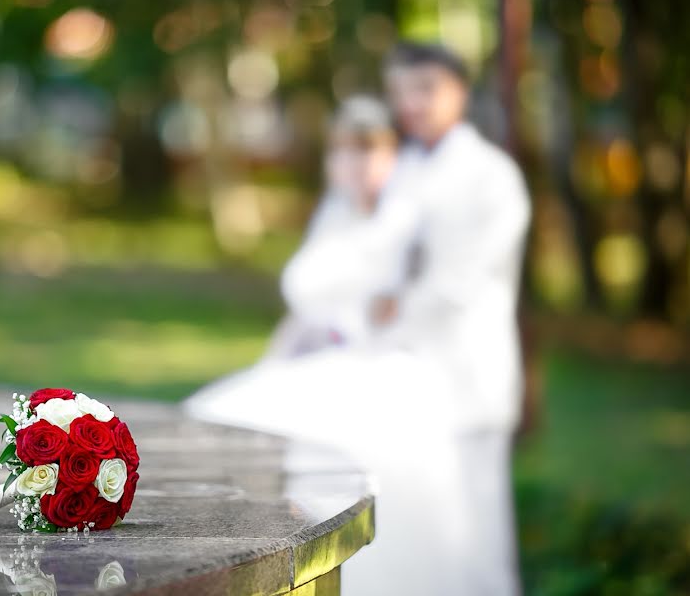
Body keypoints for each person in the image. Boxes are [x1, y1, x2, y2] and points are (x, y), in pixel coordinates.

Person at [185, 42, 530, 595]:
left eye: (425, 89)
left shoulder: (490, 177)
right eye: (401, 92)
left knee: (473, 541)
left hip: (460, 374)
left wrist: (381, 307)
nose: (411, 104)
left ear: (458, 91)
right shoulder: (404, 166)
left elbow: (454, 285)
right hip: (388, 363)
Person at [262, 94, 397, 361]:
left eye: (365, 149)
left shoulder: (400, 219)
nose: (352, 162)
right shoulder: (335, 213)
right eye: (341, 150)